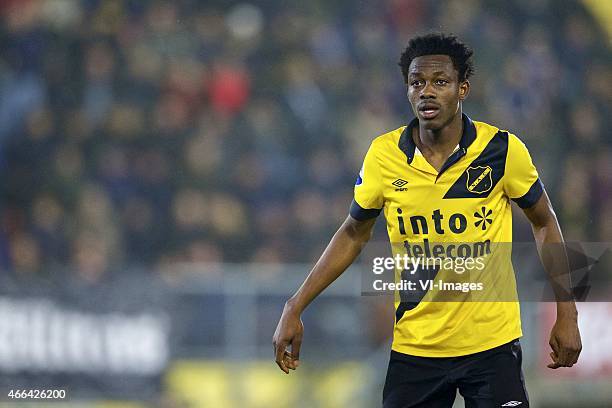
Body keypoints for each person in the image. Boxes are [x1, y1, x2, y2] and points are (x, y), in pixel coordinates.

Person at [272, 33, 581, 408]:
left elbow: (545, 222)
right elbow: (354, 231)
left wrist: (567, 311)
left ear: (462, 88)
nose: (427, 92)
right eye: (417, 82)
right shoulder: (384, 156)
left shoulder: (502, 150)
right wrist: (295, 305)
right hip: (416, 348)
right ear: (407, 90)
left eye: (440, 82)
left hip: (492, 347)